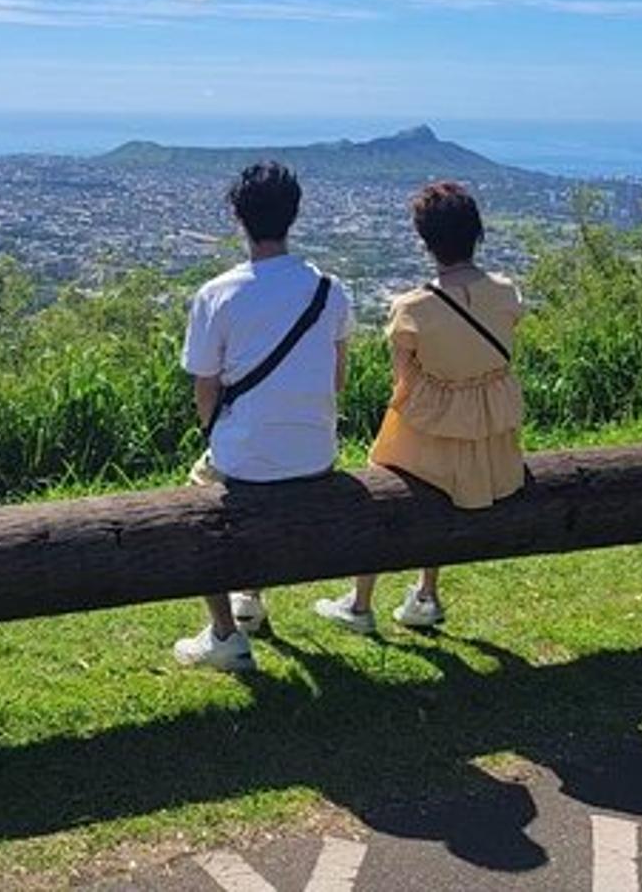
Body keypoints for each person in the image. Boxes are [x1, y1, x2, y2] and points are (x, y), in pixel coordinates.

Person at [315, 180, 524, 633]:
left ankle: (360, 604)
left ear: (426, 241)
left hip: (428, 425)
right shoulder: (507, 293)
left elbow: (405, 381)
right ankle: (426, 594)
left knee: (379, 493)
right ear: (476, 233)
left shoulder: (412, 308)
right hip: (489, 427)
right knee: (446, 493)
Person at [175, 160, 355, 672]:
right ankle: (248, 598)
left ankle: (224, 634)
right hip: (318, 454)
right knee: (259, 457)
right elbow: (337, 381)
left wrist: (215, 433)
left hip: (247, 460)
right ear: (293, 216)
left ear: (238, 217)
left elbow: (204, 389)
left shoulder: (218, 295)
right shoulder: (329, 290)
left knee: (196, 507)